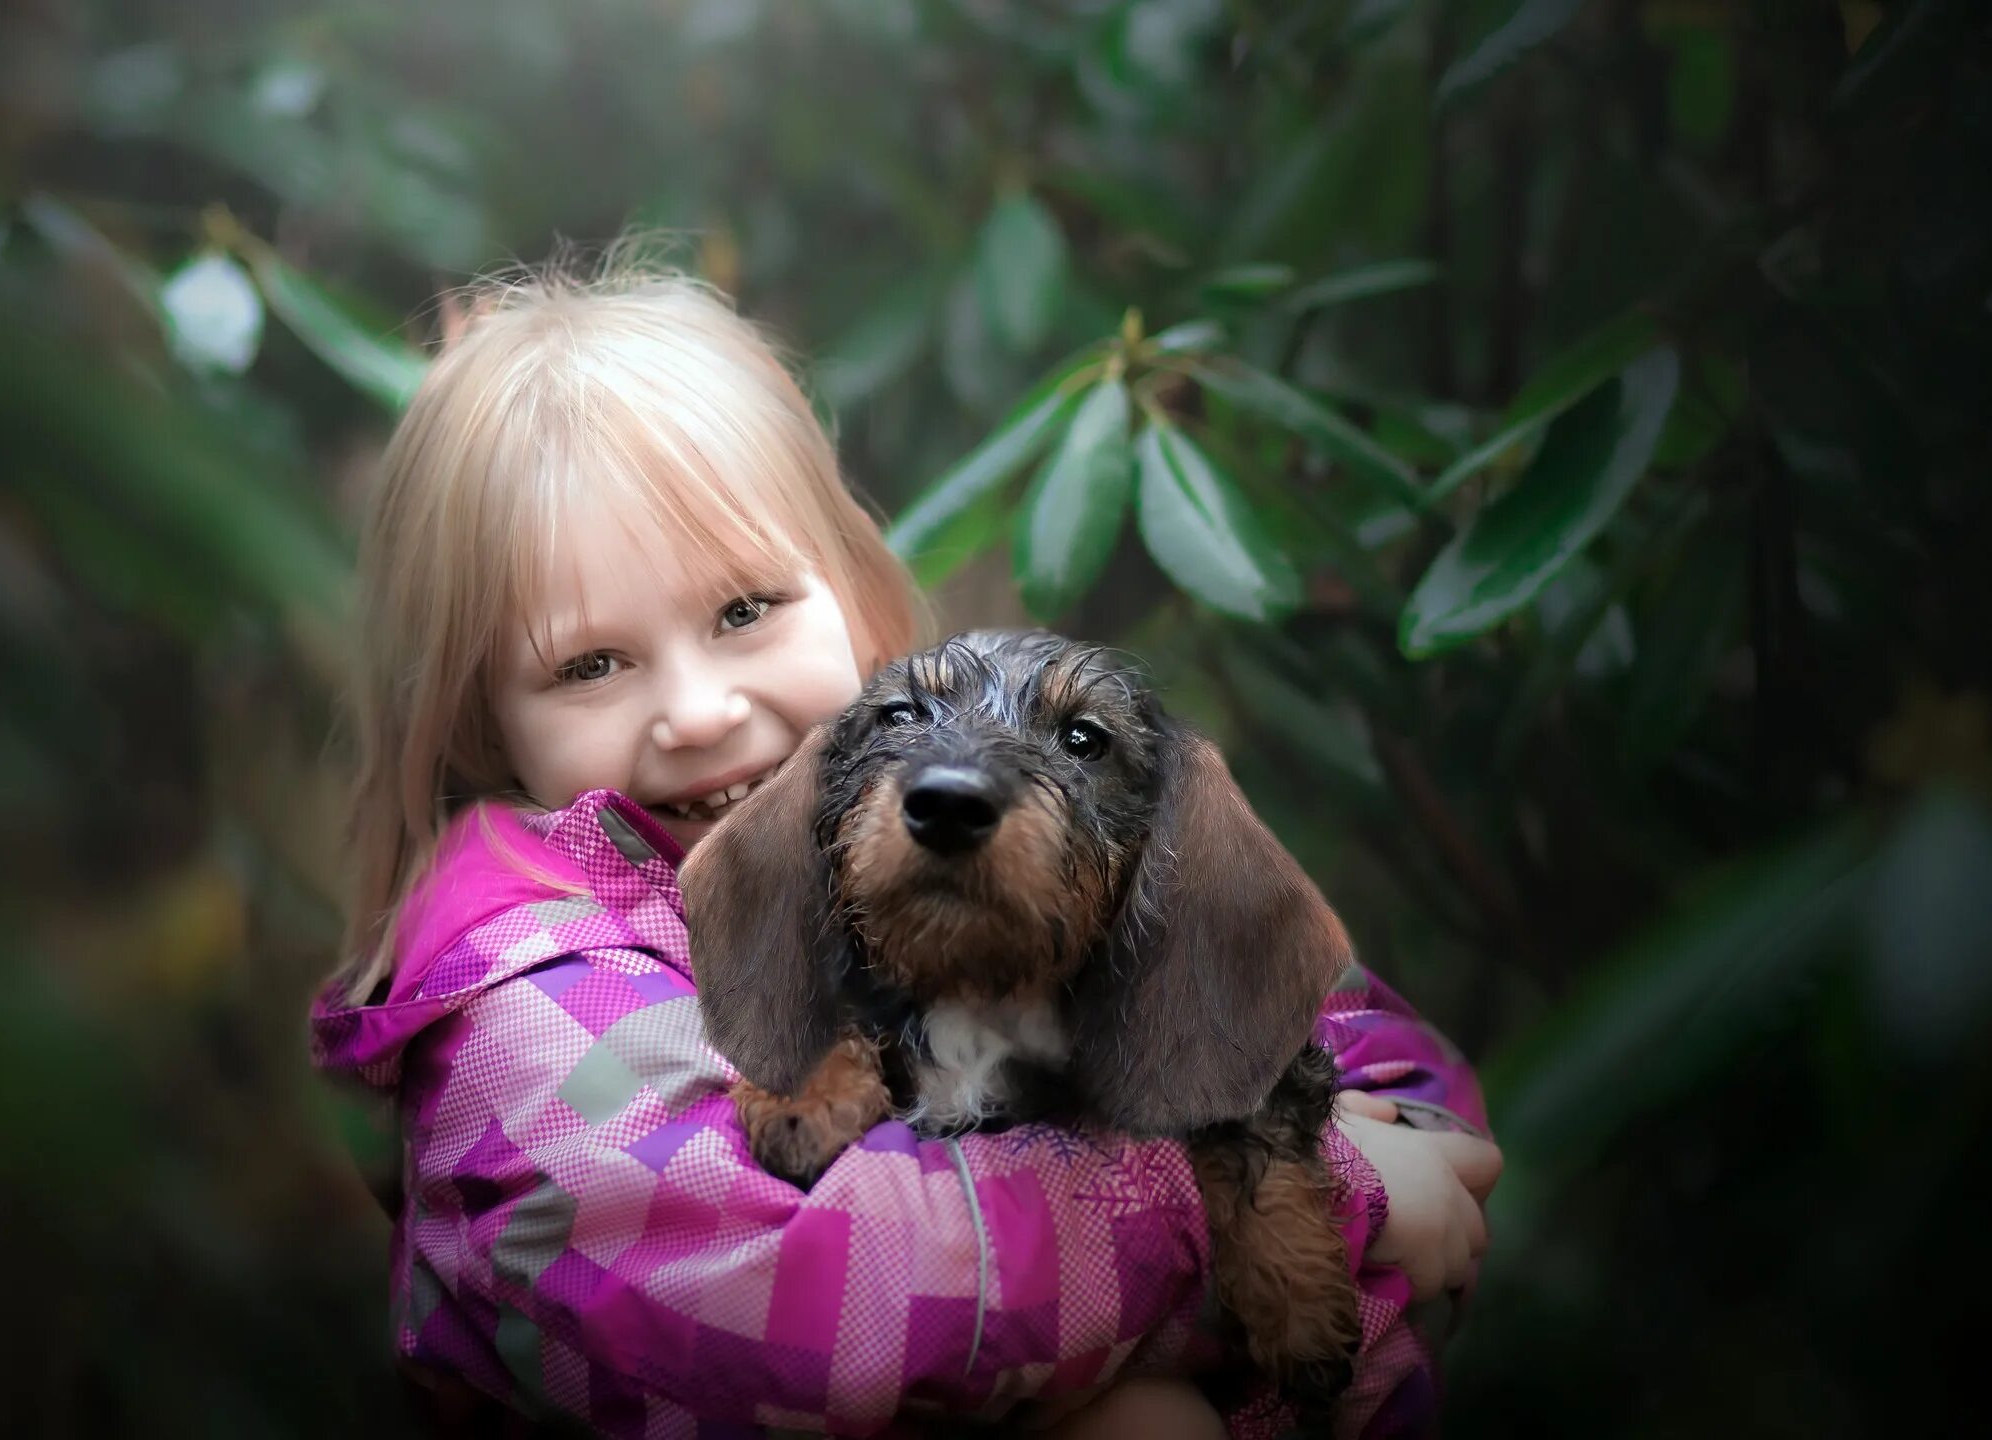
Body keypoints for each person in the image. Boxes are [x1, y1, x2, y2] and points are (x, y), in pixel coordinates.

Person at [312, 250, 1501, 1439]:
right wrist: (1318, 1202)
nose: (699, 713)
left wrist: (1373, 1165)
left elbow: (1389, 1081)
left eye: (743, 611)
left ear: (850, 585)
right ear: (479, 716)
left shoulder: (936, 819)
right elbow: (792, 1309)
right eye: (589, 666)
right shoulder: (519, 992)